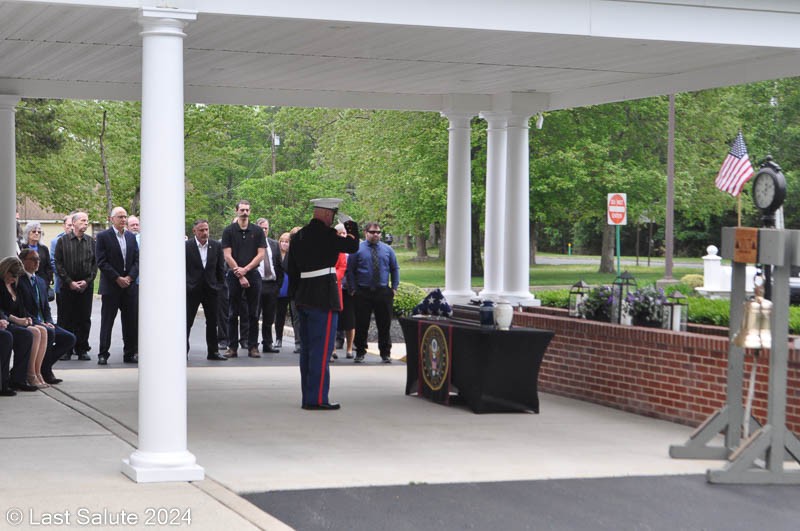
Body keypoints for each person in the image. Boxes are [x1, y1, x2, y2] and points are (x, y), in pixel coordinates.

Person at [288, 198, 359, 410]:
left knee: (308, 350)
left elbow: (290, 268)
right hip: (323, 298)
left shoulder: (298, 236)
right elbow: (353, 245)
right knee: (321, 350)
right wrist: (351, 225)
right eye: (333, 214)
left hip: (303, 297)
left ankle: (308, 396)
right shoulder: (329, 235)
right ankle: (317, 399)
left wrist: (296, 295)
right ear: (328, 214)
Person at [16, 249, 76, 384]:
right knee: (49, 332)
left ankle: (44, 366)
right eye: (33, 259)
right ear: (23, 261)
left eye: (38, 259)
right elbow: (21, 309)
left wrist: (48, 321)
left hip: (44, 322)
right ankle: (45, 371)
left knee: (69, 338)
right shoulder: (19, 281)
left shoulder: (40, 281)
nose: (37, 262)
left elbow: (46, 307)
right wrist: (40, 323)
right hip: (30, 321)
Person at [346, 221, 400, 364]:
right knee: (361, 324)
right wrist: (353, 289)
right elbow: (350, 270)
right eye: (372, 232)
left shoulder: (388, 250)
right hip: (363, 292)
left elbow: (394, 268)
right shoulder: (357, 249)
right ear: (366, 233)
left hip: (383, 292)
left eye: (378, 232)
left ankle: (385, 353)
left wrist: (394, 287)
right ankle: (360, 351)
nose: (375, 235)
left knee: (384, 324)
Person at [221, 200, 266, 358]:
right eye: (242, 210)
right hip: (234, 275)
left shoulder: (258, 231)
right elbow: (227, 255)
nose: (245, 213)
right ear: (236, 211)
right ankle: (232, 347)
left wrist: (246, 270)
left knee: (254, 313)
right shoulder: (229, 231)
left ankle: (253, 346)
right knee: (233, 312)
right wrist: (240, 274)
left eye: (247, 210)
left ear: (250, 211)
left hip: (253, 274)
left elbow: (261, 254)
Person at [95, 207, 139, 365]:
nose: (123, 220)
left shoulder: (131, 237)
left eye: (125, 217)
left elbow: (137, 260)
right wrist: (117, 278)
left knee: (131, 322)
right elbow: (101, 261)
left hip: (129, 286)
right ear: (111, 219)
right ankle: (103, 353)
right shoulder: (103, 237)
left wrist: (130, 277)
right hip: (111, 286)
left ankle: (130, 353)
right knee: (107, 322)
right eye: (120, 217)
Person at [0, 256, 49, 388]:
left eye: (17, 276)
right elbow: (2, 310)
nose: (14, 279)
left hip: (15, 321)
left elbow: (21, 308)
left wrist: (27, 318)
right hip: (7, 321)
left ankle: (36, 372)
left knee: (42, 330)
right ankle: (28, 374)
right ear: (5, 271)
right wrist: (15, 319)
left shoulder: (14, 286)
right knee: (32, 333)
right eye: (13, 275)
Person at [54, 211, 97, 361]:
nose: (86, 223)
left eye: (87, 221)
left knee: (84, 319)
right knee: (66, 318)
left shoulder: (91, 242)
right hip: (68, 286)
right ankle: (66, 349)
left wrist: (87, 281)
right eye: (83, 220)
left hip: (86, 287)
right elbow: (58, 264)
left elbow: (95, 264)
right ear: (74, 223)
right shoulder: (63, 241)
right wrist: (69, 282)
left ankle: (82, 349)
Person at [185, 219, 226, 361]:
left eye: (206, 229)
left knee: (213, 322)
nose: (205, 233)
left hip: (211, 289)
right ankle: (183, 351)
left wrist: (219, 286)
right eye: (201, 230)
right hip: (192, 289)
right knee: (187, 321)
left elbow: (220, 268)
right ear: (194, 231)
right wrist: (186, 284)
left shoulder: (216, 246)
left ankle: (213, 352)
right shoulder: (186, 246)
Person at [256, 218, 283, 354]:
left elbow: (279, 266)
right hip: (257, 284)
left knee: (269, 317)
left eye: (266, 228)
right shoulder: (252, 245)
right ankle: (252, 344)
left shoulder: (274, 244)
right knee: (254, 316)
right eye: (261, 228)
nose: (264, 231)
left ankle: (268, 343)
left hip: (271, 285)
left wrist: (278, 285)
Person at [334, 224, 355, 360]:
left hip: (349, 290)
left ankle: (349, 349)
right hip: (334, 289)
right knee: (334, 320)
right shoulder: (333, 248)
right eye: (340, 233)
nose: (342, 235)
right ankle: (333, 349)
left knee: (350, 321)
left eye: (344, 233)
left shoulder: (353, 250)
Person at [20, 222, 54, 288]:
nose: (36, 233)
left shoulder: (44, 248)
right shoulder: (22, 247)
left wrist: (46, 281)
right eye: (34, 231)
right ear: (27, 233)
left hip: (42, 283)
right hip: (25, 283)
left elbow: (48, 267)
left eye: (39, 232)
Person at [273, 231, 291, 350]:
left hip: (290, 287)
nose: (284, 244)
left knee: (294, 315)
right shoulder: (275, 254)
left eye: (287, 242)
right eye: (282, 241)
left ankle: (298, 341)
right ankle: (278, 338)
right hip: (278, 287)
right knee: (279, 314)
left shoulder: (292, 255)